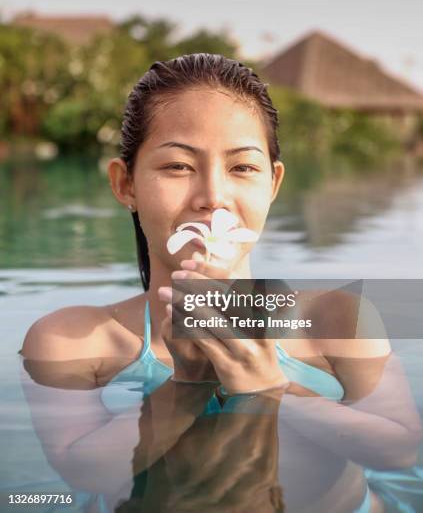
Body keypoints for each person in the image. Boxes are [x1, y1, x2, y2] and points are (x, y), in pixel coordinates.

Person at [20, 54, 422, 512]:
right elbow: (83, 470)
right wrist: (187, 383)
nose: (212, 198)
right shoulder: (74, 339)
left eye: (242, 168)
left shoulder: (336, 317)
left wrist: (271, 385)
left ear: (273, 183)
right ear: (125, 184)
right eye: (177, 167)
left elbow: (399, 448)